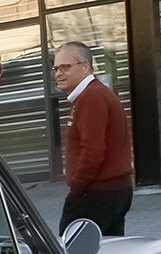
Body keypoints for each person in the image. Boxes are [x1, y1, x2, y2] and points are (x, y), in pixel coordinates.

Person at [53, 41, 133, 237]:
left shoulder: (92, 97)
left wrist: (77, 188)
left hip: (96, 194)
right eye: (56, 68)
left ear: (86, 67)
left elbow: (93, 151)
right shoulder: (92, 95)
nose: (58, 73)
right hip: (112, 192)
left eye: (66, 67)